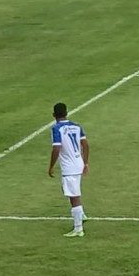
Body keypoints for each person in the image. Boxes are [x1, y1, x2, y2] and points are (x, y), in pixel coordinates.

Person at [47, 102, 89, 239]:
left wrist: (51, 166)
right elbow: (85, 144)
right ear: (67, 113)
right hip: (79, 163)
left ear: (54, 115)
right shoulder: (76, 126)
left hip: (69, 167)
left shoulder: (56, 129)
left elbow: (56, 148)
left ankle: (78, 229)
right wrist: (86, 162)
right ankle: (81, 215)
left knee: (73, 196)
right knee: (74, 191)